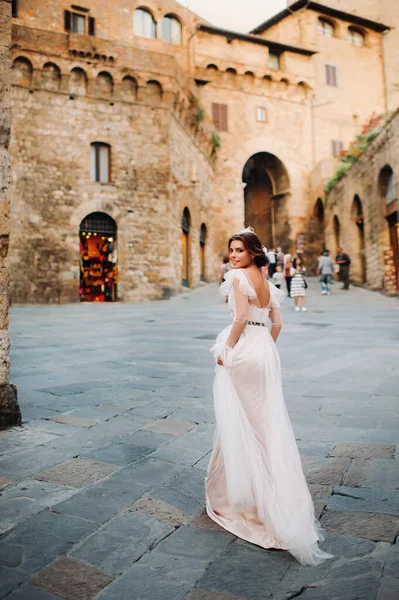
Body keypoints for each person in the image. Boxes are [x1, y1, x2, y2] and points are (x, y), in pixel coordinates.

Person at [207, 226, 332, 566]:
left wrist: (227, 350)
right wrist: (264, 349)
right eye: (231, 250)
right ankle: (275, 495)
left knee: (243, 424)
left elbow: (239, 317)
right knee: (267, 425)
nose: (233, 255)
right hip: (265, 352)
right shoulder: (266, 282)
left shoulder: (236, 278)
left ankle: (248, 498)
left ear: (251, 252)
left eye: (239, 250)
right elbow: (277, 324)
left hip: (245, 349)